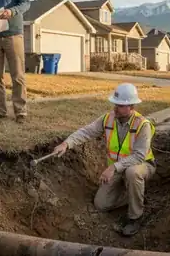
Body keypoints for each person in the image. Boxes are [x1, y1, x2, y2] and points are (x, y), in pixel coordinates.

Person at [52, 83, 156, 237]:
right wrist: (66, 143)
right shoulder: (108, 119)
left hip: (141, 166)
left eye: (120, 105)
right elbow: (87, 132)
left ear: (131, 106)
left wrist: (113, 168)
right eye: (116, 103)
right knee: (101, 204)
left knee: (132, 173)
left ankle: (135, 217)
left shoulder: (143, 125)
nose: (115, 108)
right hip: (118, 169)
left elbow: (139, 156)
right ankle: (133, 196)